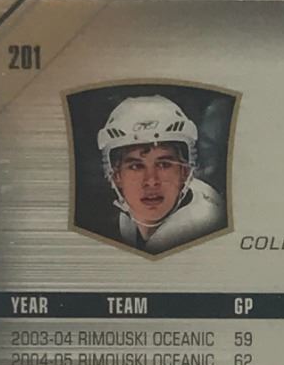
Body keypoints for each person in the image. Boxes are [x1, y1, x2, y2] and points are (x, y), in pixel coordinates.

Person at [96, 95, 225, 253]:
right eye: (136, 166)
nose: (151, 181)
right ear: (116, 176)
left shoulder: (194, 228)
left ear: (184, 171)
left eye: (164, 165)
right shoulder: (129, 220)